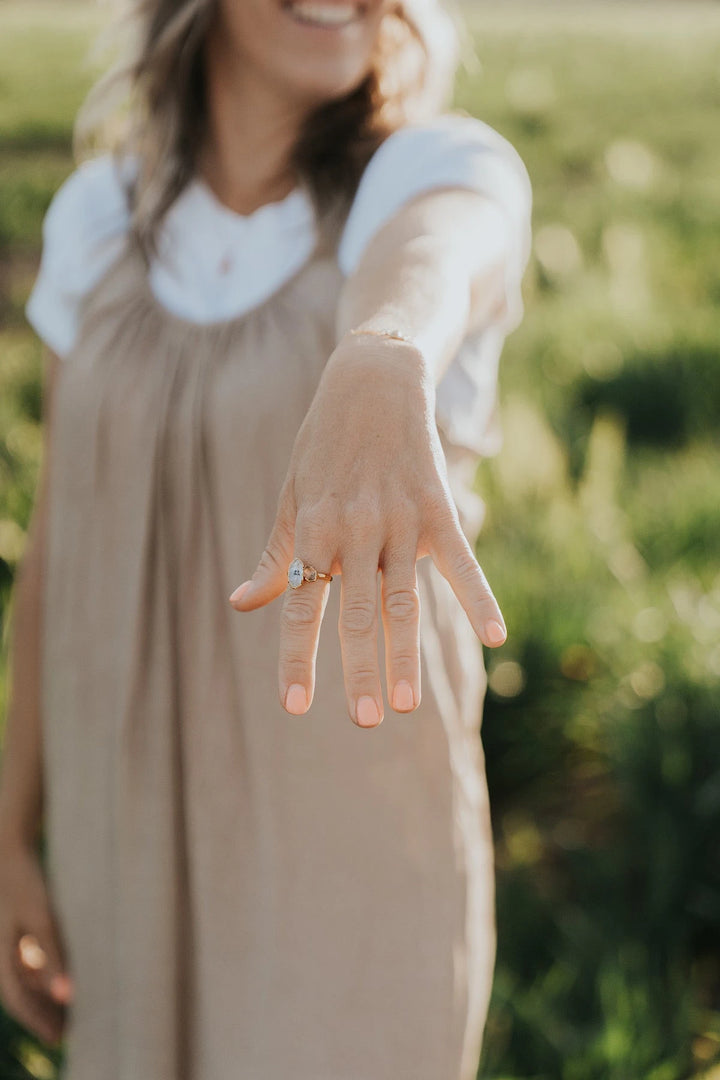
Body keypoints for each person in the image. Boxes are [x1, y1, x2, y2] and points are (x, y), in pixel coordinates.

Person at [0, 0, 532, 1076]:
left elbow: (439, 253)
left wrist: (385, 351)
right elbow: (61, 543)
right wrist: (10, 829)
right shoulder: (96, 219)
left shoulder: (429, 168)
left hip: (349, 833)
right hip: (126, 822)